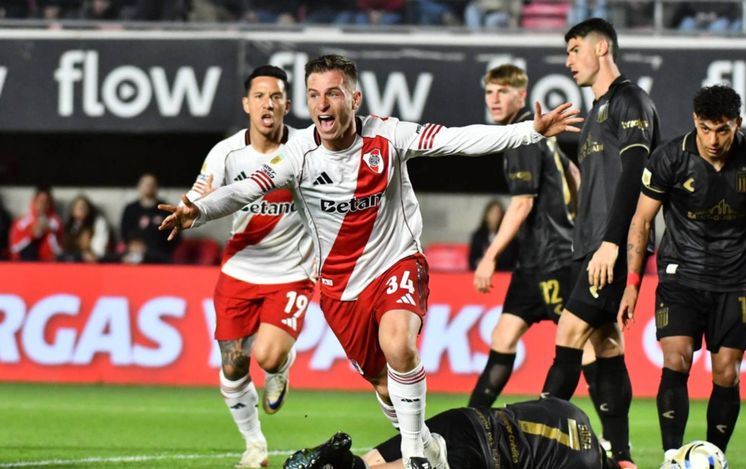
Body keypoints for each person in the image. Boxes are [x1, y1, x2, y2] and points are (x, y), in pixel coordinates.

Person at [159, 54, 581, 467]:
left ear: (355, 100)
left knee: (399, 343)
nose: (322, 104)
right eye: (313, 95)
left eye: (333, 93)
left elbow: (458, 140)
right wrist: (200, 210)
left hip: (397, 261)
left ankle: (415, 451)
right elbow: (248, 188)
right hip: (340, 288)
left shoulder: (388, 136)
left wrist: (530, 131)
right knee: (383, 382)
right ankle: (430, 448)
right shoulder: (298, 154)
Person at [618, 85, 746, 464]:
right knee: (677, 359)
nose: (713, 139)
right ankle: (673, 455)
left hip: (733, 281)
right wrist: (632, 284)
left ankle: (715, 455)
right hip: (679, 276)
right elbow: (641, 221)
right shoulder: (669, 157)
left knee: (727, 374)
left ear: (737, 123)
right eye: (704, 129)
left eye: (722, 129)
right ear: (694, 123)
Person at [539, 18, 660, 469]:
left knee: (569, 335)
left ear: (602, 47)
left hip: (608, 245)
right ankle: (622, 458)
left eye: (574, 49)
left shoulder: (629, 100)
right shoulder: (592, 116)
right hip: (589, 244)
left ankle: (536, 436)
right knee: (605, 343)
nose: (568, 60)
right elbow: (595, 182)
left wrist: (613, 244)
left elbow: (635, 174)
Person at [182, 65, 315, 468]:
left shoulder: (308, 147)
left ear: (287, 105)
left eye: (275, 96)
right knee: (232, 365)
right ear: (247, 104)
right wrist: (188, 210)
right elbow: (201, 195)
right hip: (239, 271)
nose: (267, 104)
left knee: (269, 356)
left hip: (292, 272)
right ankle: (255, 446)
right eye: (259, 96)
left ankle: (281, 370)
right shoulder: (226, 153)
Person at [468, 64, 603, 429]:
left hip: (552, 259)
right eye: (489, 92)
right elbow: (573, 174)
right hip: (536, 259)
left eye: (503, 92)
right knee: (504, 335)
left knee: (582, 345)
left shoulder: (523, 136)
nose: (494, 99)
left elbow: (522, 202)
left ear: (521, 95)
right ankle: (472, 421)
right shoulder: (540, 134)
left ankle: (609, 438)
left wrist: (489, 256)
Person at [284, 397, 621, 469]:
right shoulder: (585, 466)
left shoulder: (573, 410)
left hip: (464, 419)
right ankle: (340, 465)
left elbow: (515, 407)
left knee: (375, 460)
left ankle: (341, 459)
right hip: (480, 457)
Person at [120, 173, 179, 263]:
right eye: (146, 184)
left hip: (159, 254)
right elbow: (125, 232)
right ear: (139, 186)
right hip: (135, 253)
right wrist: (133, 245)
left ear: (157, 187)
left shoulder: (165, 208)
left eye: (152, 184)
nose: (149, 186)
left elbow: (175, 234)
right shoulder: (130, 209)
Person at [9, 186, 63, 262]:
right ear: (34, 201)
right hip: (25, 259)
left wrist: (47, 230)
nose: (43, 205)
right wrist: (31, 234)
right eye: (40, 201)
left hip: (49, 261)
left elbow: (58, 245)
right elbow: (14, 245)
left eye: (46, 202)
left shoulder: (55, 221)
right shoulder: (23, 220)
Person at [467, 198, 516, 271]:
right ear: (486, 215)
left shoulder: (508, 236)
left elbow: (511, 259)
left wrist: (494, 261)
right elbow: (472, 259)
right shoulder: (478, 236)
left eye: (497, 213)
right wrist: (480, 263)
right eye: (492, 213)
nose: (495, 216)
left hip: (502, 274)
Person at [59, 194, 111, 263]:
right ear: (72, 210)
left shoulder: (97, 222)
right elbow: (66, 247)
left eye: (84, 207)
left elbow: (99, 248)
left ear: (89, 209)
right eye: (78, 207)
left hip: (94, 258)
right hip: (75, 258)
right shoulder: (71, 225)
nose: (81, 210)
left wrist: (91, 252)